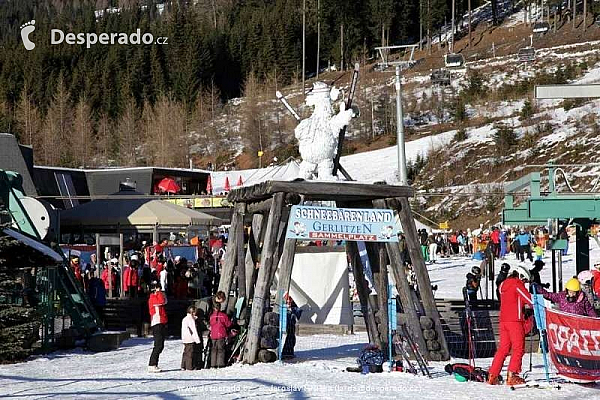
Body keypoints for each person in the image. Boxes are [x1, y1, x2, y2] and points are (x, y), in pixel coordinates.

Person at [488, 266, 533, 386]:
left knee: (503, 348)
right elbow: (529, 299)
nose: (525, 283)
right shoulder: (517, 284)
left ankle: (493, 374)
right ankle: (512, 375)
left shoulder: (503, 285)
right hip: (515, 321)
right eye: (525, 280)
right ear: (521, 276)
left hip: (503, 320)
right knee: (518, 348)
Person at [148, 281, 168, 372]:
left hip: (162, 321)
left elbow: (165, 300)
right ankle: (152, 364)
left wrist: (160, 293)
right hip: (157, 322)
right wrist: (159, 293)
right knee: (158, 344)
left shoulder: (159, 295)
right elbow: (161, 301)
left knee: (161, 345)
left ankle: (154, 363)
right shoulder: (152, 297)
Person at [209, 296, 232, 368]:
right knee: (221, 349)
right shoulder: (223, 315)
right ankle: (220, 364)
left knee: (213, 349)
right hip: (221, 334)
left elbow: (211, 324)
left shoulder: (211, 316)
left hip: (213, 335)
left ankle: (213, 364)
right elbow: (228, 324)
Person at [181, 305, 202, 371]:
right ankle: (189, 367)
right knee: (190, 353)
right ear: (192, 312)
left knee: (185, 352)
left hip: (185, 338)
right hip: (190, 338)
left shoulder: (185, 319)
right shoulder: (191, 320)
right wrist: (197, 340)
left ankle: (183, 365)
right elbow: (193, 330)